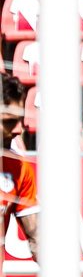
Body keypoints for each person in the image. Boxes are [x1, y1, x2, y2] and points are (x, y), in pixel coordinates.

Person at [0, 74, 38, 265]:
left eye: (20, 120)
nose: (18, 130)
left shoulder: (18, 168)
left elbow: (36, 236)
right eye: (8, 121)